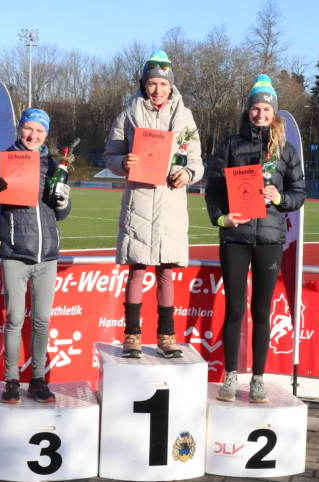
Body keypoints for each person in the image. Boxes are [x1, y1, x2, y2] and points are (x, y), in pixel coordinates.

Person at [204, 75, 306, 402]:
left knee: (262, 312)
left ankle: (258, 378)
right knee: (234, 309)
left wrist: (279, 198)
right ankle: (231, 375)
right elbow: (214, 190)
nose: (260, 114)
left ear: (274, 112)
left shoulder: (285, 150)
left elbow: (299, 193)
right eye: (255, 108)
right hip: (235, 236)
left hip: (270, 239)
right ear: (247, 110)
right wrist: (222, 218)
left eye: (266, 108)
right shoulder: (230, 145)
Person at [103, 50, 203, 359]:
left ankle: (166, 336)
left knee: (166, 273)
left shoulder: (185, 117)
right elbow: (110, 156)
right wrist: (124, 161)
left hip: (171, 204)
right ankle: (131, 336)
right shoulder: (128, 115)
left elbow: (197, 161)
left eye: (162, 83)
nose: (157, 90)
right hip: (140, 202)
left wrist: (187, 173)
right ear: (143, 84)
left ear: (171, 85)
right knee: (136, 270)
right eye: (151, 83)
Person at [0, 108, 72, 404]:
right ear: (20, 129)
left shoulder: (55, 164)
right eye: (29, 129)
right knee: (15, 318)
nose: (33, 136)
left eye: (39, 131)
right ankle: (12, 381)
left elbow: (63, 213)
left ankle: (38, 380)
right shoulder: (3, 160)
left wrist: (62, 198)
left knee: (42, 320)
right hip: (15, 253)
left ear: (46, 135)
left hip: (48, 256)